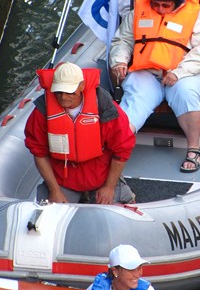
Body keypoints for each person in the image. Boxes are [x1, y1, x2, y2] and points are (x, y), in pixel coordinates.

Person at [110, 0, 200, 173]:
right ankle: (115, 151)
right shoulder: (138, 11)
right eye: (155, 4)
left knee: (185, 92)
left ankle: (194, 148)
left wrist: (179, 72)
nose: (159, 9)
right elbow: (122, 40)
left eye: (165, 6)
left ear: (177, 2)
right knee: (135, 100)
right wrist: (119, 61)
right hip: (147, 73)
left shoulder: (196, 15)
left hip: (186, 74)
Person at [24, 62, 135, 204]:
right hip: (64, 181)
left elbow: (122, 148)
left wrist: (109, 187)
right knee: (47, 212)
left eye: (69, 92)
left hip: (101, 177)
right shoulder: (42, 111)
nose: (63, 97)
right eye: (59, 92)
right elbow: (39, 152)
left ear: (81, 86)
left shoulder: (104, 107)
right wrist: (54, 190)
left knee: (122, 206)